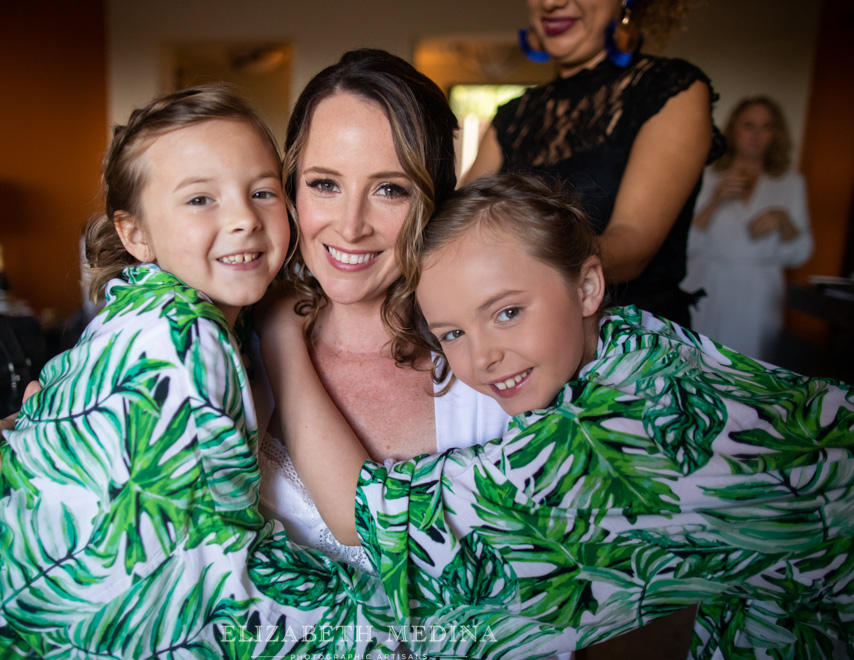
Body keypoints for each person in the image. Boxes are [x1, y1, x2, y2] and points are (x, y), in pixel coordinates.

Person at [0, 84, 397, 657]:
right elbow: (187, 574)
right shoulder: (178, 330)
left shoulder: (171, 308)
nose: (244, 217)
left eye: (262, 192)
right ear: (135, 233)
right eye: (200, 199)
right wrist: (379, 626)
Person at [0, 49, 511, 575]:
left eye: (391, 189)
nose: (350, 225)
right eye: (323, 184)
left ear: (434, 198)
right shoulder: (215, 334)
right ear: (293, 188)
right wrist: (14, 437)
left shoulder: (496, 361)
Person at [262, 173, 854, 659]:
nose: (483, 355)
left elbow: (381, 522)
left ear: (588, 285)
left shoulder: (630, 432)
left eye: (509, 311)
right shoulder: (637, 345)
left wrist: (278, 337)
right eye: (452, 333)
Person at [461, 0, 724, 326]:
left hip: (630, 339)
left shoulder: (668, 89)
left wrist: (509, 258)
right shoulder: (513, 117)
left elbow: (632, 244)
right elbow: (461, 222)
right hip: (522, 335)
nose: (551, 3)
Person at [682, 95, 813, 362]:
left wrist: (784, 220)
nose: (756, 135)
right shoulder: (706, 176)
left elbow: (802, 252)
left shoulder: (790, 183)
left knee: (751, 366)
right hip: (707, 283)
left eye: (766, 127)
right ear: (733, 129)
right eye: (749, 125)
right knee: (698, 360)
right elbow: (685, 243)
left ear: (776, 134)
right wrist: (716, 200)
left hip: (759, 292)